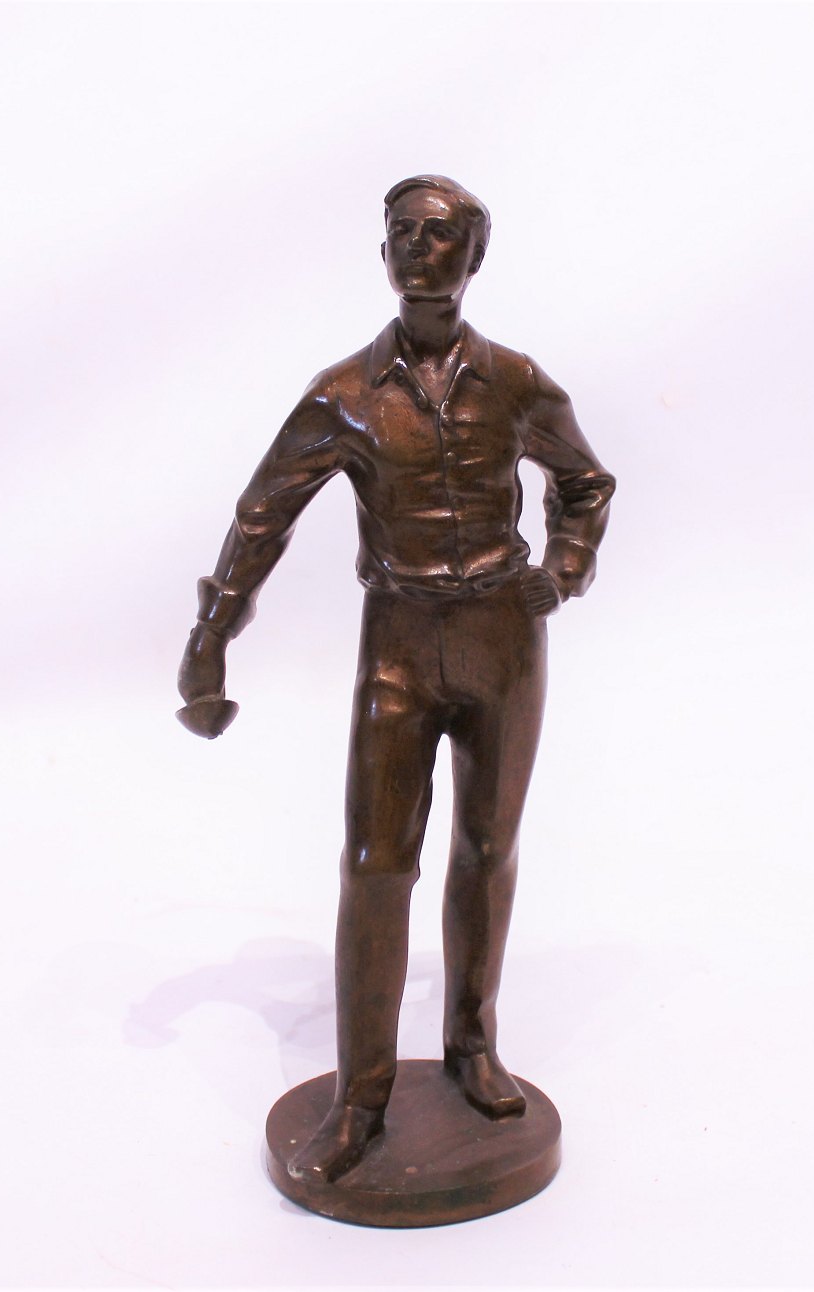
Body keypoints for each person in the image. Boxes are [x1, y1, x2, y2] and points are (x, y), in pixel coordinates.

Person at [177, 175, 615, 1184]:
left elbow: (585, 480)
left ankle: (471, 1045)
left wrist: (563, 568)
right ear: (382, 257)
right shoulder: (344, 395)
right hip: (400, 647)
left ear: (475, 257)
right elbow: (261, 515)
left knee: (488, 847)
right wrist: (210, 637)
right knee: (377, 864)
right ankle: (362, 1096)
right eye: (404, 233)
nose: (422, 248)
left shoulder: (516, 382)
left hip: (504, 639)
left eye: (443, 233)